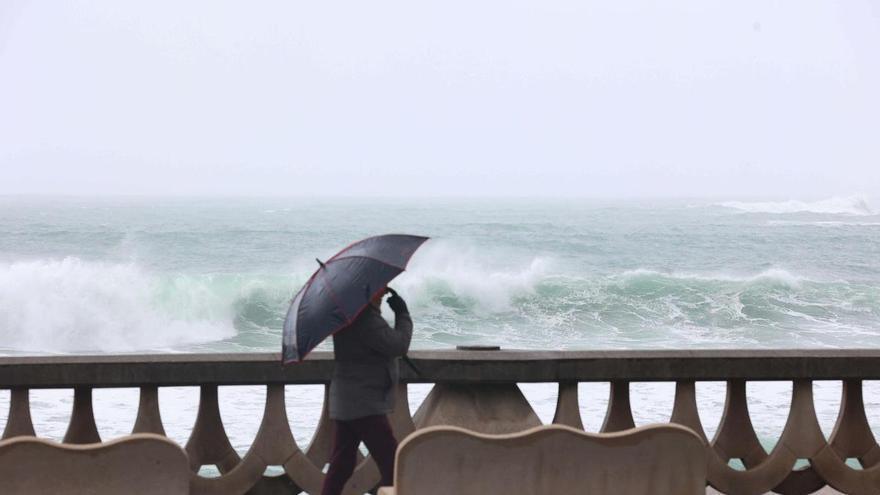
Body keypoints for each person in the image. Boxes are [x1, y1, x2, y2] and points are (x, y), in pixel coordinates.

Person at [320, 286, 413, 495]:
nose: (382, 294)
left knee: (341, 464)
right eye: (379, 290)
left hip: (347, 399)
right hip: (364, 403)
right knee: (392, 462)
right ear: (367, 291)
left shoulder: (350, 315)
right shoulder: (365, 319)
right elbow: (397, 345)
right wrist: (402, 313)